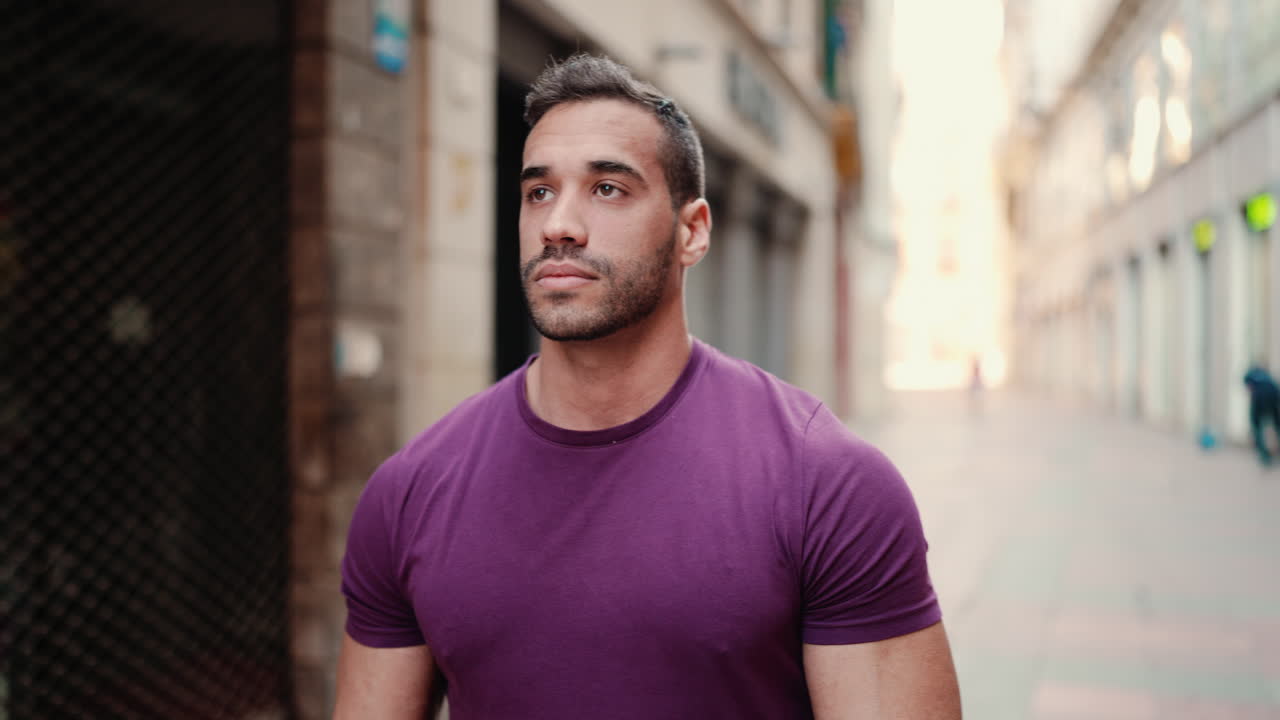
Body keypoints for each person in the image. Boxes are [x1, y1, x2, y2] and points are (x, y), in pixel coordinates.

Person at [334, 54, 960, 720]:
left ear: (691, 231)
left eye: (608, 188)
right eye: (538, 191)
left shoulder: (829, 485)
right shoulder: (409, 492)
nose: (558, 225)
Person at [1243, 364, 1280, 466]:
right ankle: (1266, 455)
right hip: (1274, 397)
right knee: (1277, 426)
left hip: (1260, 399)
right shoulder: (1267, 376)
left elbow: (1249, 388)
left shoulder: (1250, 375)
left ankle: (1264, 456)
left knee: (1257, 427)